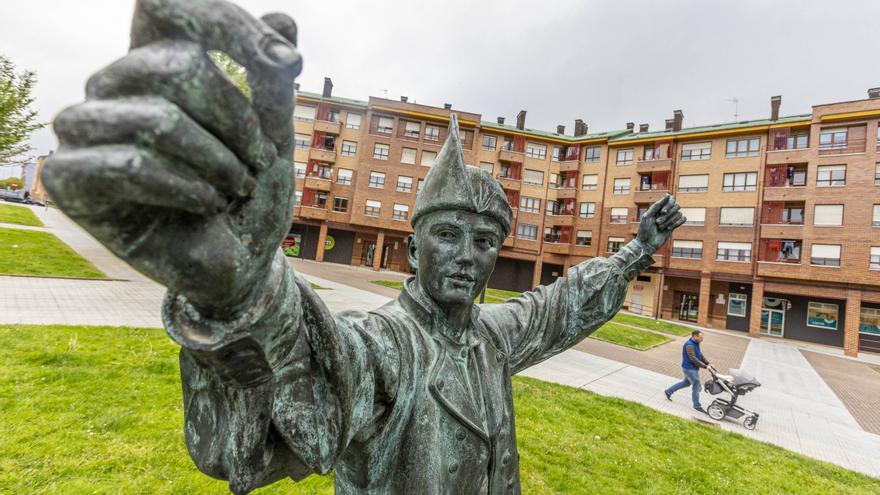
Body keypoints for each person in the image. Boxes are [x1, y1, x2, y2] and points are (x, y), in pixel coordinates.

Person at [42, 1, 686, 493]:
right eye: (448, 234)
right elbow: (318, 366)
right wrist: (244, 293)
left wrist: (639, 249)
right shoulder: (387, 345)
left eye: (485, 241)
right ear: (413, 250)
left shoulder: (494, 336)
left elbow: (564, 303)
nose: (468, 253)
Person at [665, 329, 713, 413]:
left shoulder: (696, 343)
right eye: (700, 337)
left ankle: (668, 391)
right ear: (694, 336)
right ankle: (697, 405)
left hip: (691, 368)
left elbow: (700, 354)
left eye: (702, 338)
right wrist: (705, 366)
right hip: (689, 368)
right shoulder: (689, 345)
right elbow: (693, 359)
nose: (702, 339)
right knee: (696, 386)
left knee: (686, 383)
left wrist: (708, 363)